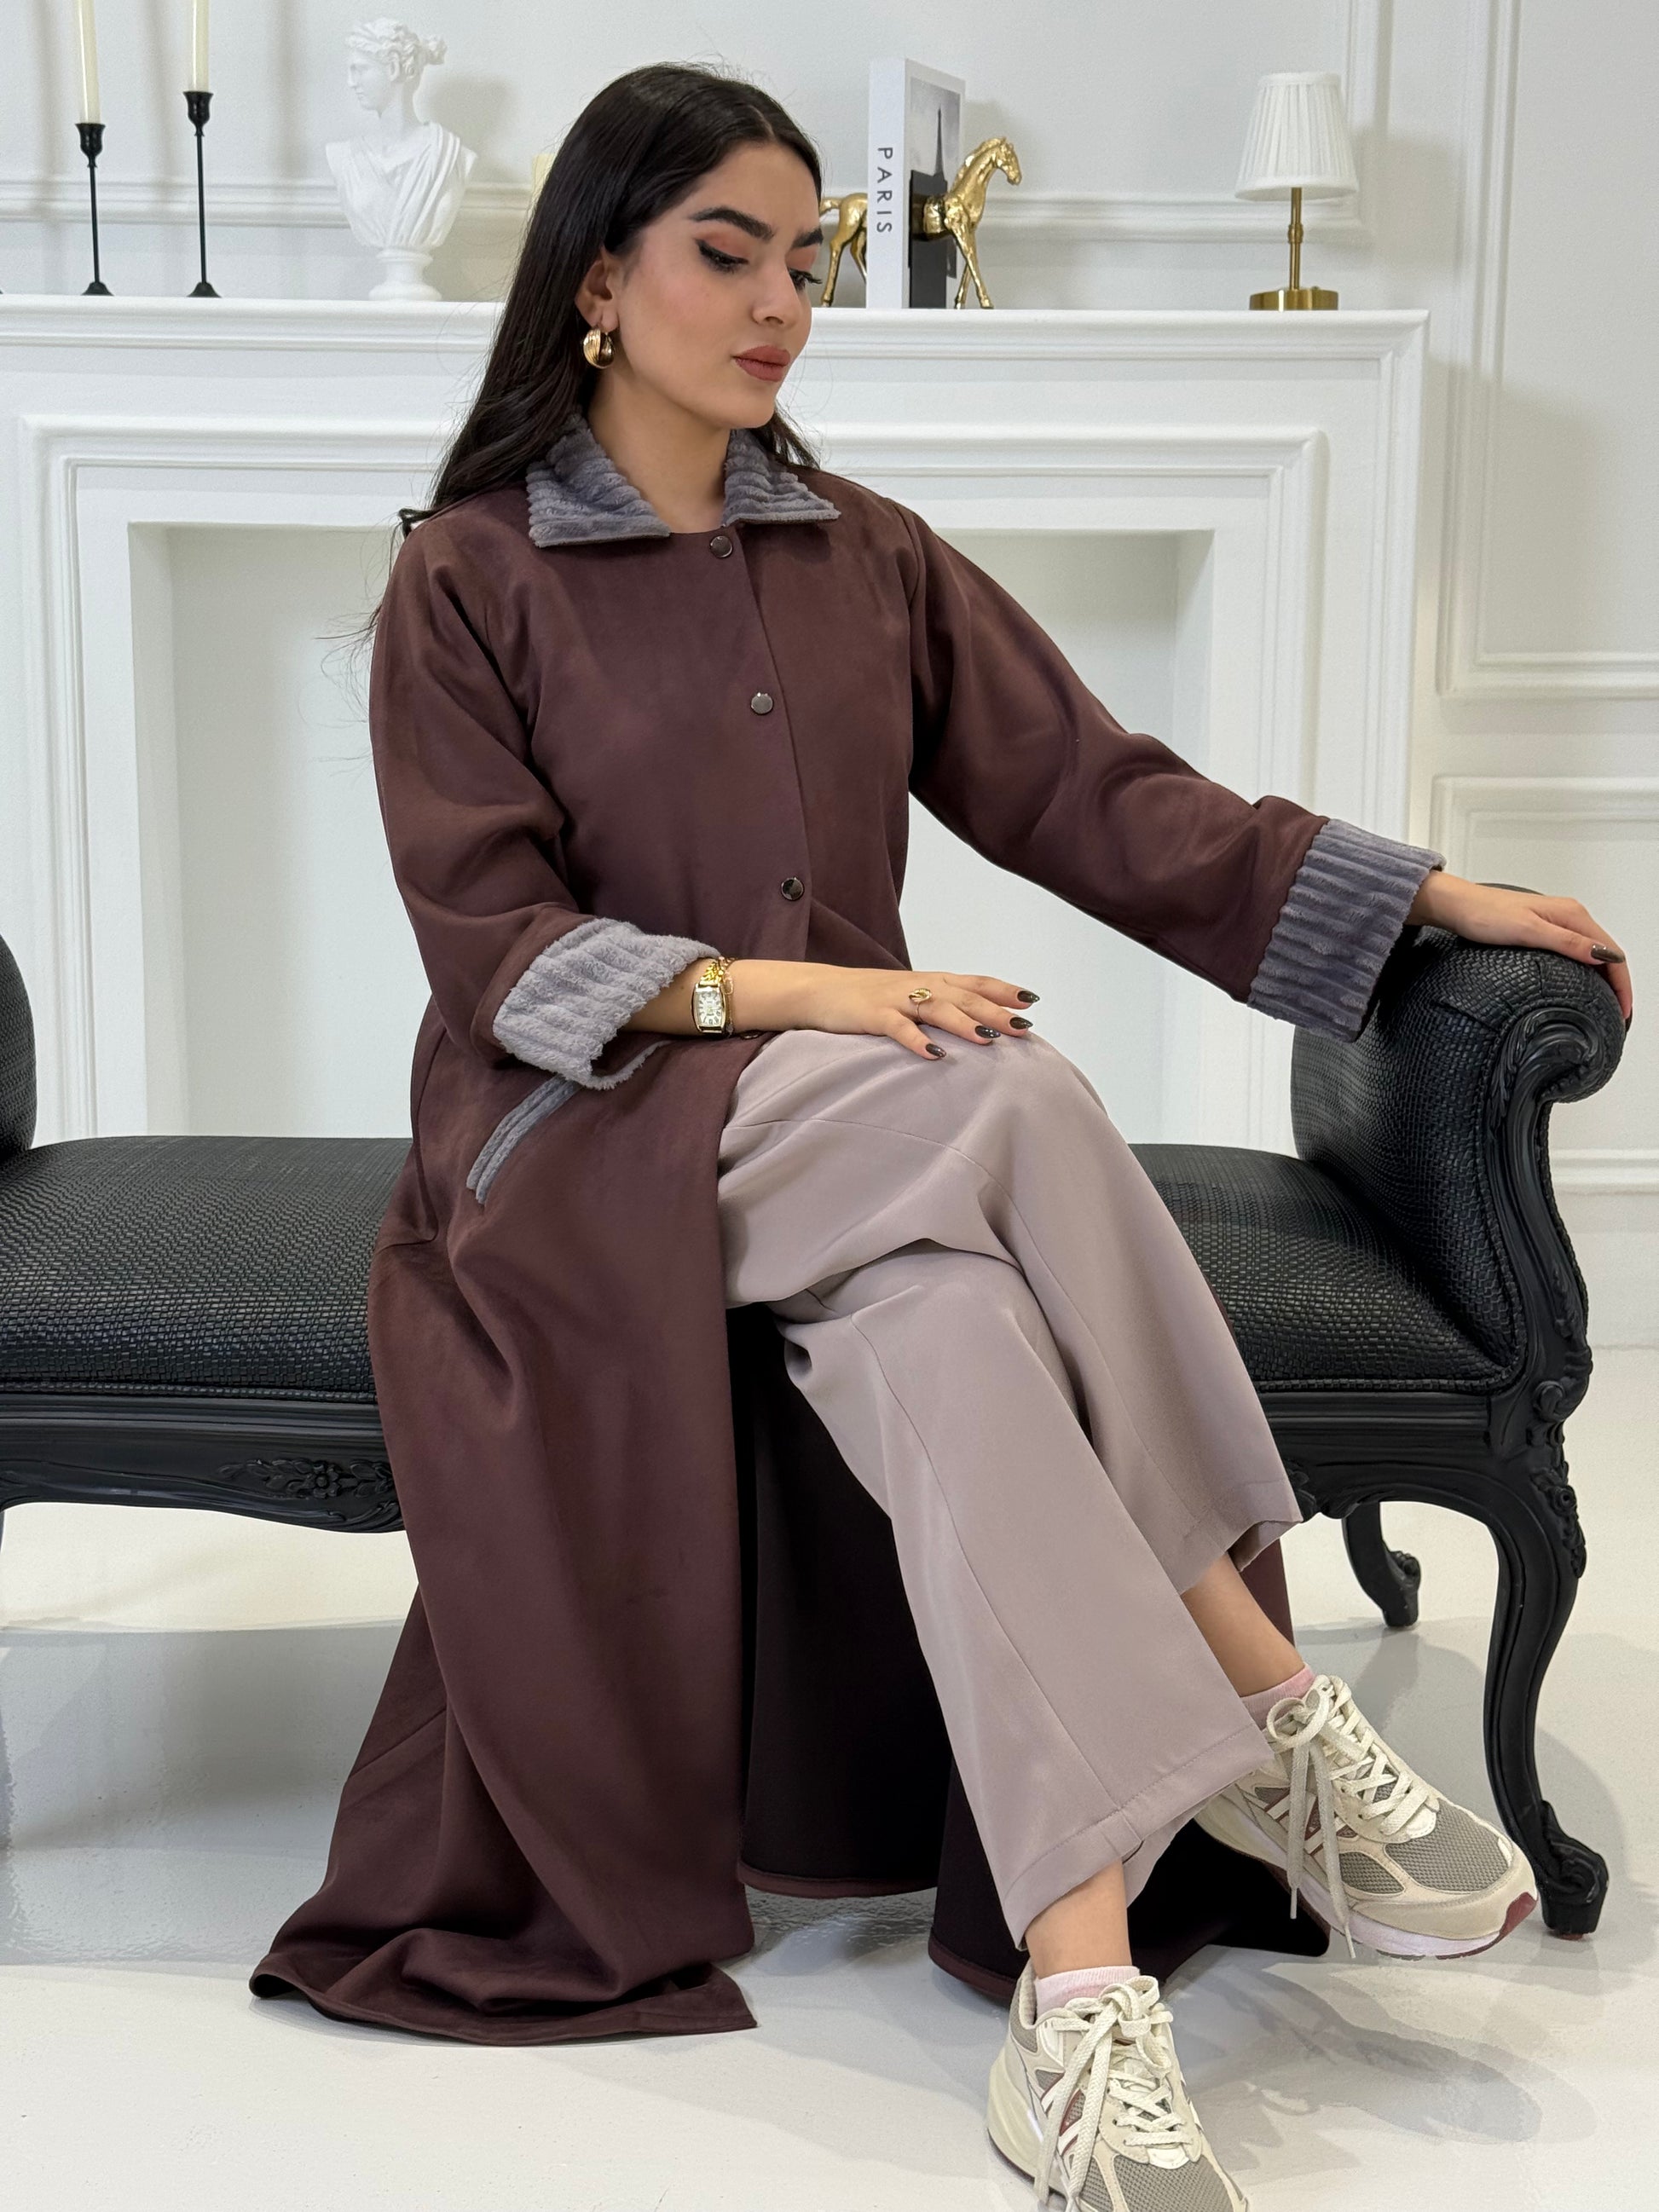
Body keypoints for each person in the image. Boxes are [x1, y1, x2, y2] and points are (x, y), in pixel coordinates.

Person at [251, 61, 1634, 2211]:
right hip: (579, 1158)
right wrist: (806, 993)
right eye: (726, 252)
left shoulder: (865, 556)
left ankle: (1077, 2003)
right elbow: (496, 953)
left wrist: (1422, 891)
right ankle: (1268, 1695)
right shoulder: (469, 574)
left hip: (870, 1152)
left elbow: (1105, 797)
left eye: (804, 262)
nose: (778, 303)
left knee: (953, 1326)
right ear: (597, 279)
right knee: (1001, 1083)